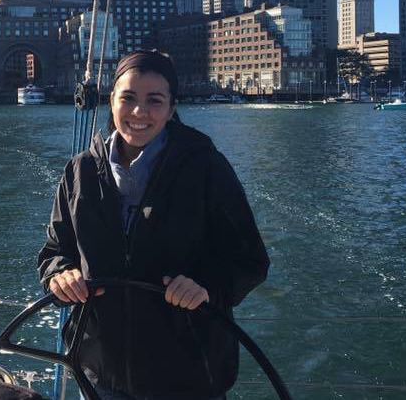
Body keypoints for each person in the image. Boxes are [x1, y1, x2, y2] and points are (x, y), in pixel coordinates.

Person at [37, 50, 271, 400]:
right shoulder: (79, 171)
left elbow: (249, 260)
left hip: (189, 378)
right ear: (111, 101)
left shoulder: (206, 167)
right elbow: (55, 252)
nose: (138, 112)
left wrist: (205, 287)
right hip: (101, 374)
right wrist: (60, 274)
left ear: (172, 108)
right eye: (127, 98)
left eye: (154, 100)